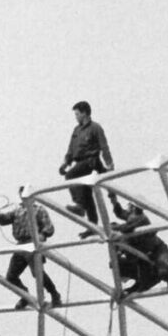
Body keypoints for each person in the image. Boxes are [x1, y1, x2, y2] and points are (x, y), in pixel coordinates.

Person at [0, 189, 62, 310]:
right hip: (21, 245)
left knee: (37, 273)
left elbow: (49, 227)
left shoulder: (39, 210)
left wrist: (43, 235)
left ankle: (54, 294)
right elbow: (4, 219)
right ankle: (25, 296)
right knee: (11, 276)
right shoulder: (18, 211)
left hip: (33, 243)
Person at [107, 193, 168, 298]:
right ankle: (167, 277)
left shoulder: (141, 219)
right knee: (145, 281)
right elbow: (120, 213)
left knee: (163, 270)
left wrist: (113, 229)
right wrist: (113, 200)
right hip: (145, 255)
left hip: (158, 250)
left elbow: (126, 228)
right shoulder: (131, 217)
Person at [59, 101, 113, 236]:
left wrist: (109, 164)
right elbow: (71, 149)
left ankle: (79, 206)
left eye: (77, 114)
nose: (76, 117)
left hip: (90, 161)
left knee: (71, 176)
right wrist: (65, 163)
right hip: (79, 162)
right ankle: (92, 225)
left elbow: (104, 146)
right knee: (86, 194)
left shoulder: (95, 128)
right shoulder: (76, 130)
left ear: (84, 113)